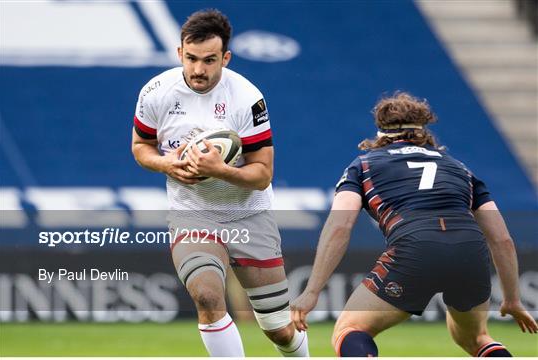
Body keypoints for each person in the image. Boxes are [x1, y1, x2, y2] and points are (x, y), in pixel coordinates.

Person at [290, 92, 537, 356]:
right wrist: (512, 299)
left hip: (415, 247)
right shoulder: (460, 169)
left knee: (349, 330)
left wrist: (312, 291)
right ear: (423, 131)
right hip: (470, 250)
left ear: (380, 133)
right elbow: (502, 239)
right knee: (477, 338)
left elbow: (339, 226)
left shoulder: (363, 165)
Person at [131, 9, 309, 357]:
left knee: (279, 329)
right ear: (179, 52)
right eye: (192, 58)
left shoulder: (247, 98)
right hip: (192, 214)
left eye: (210, 60)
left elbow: (262, 175)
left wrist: (219, 170)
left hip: (248, 215)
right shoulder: (155, 93)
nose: (199, 69)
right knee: (208, 297)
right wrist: (166, 163)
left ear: (225, 57)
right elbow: (140, 147)